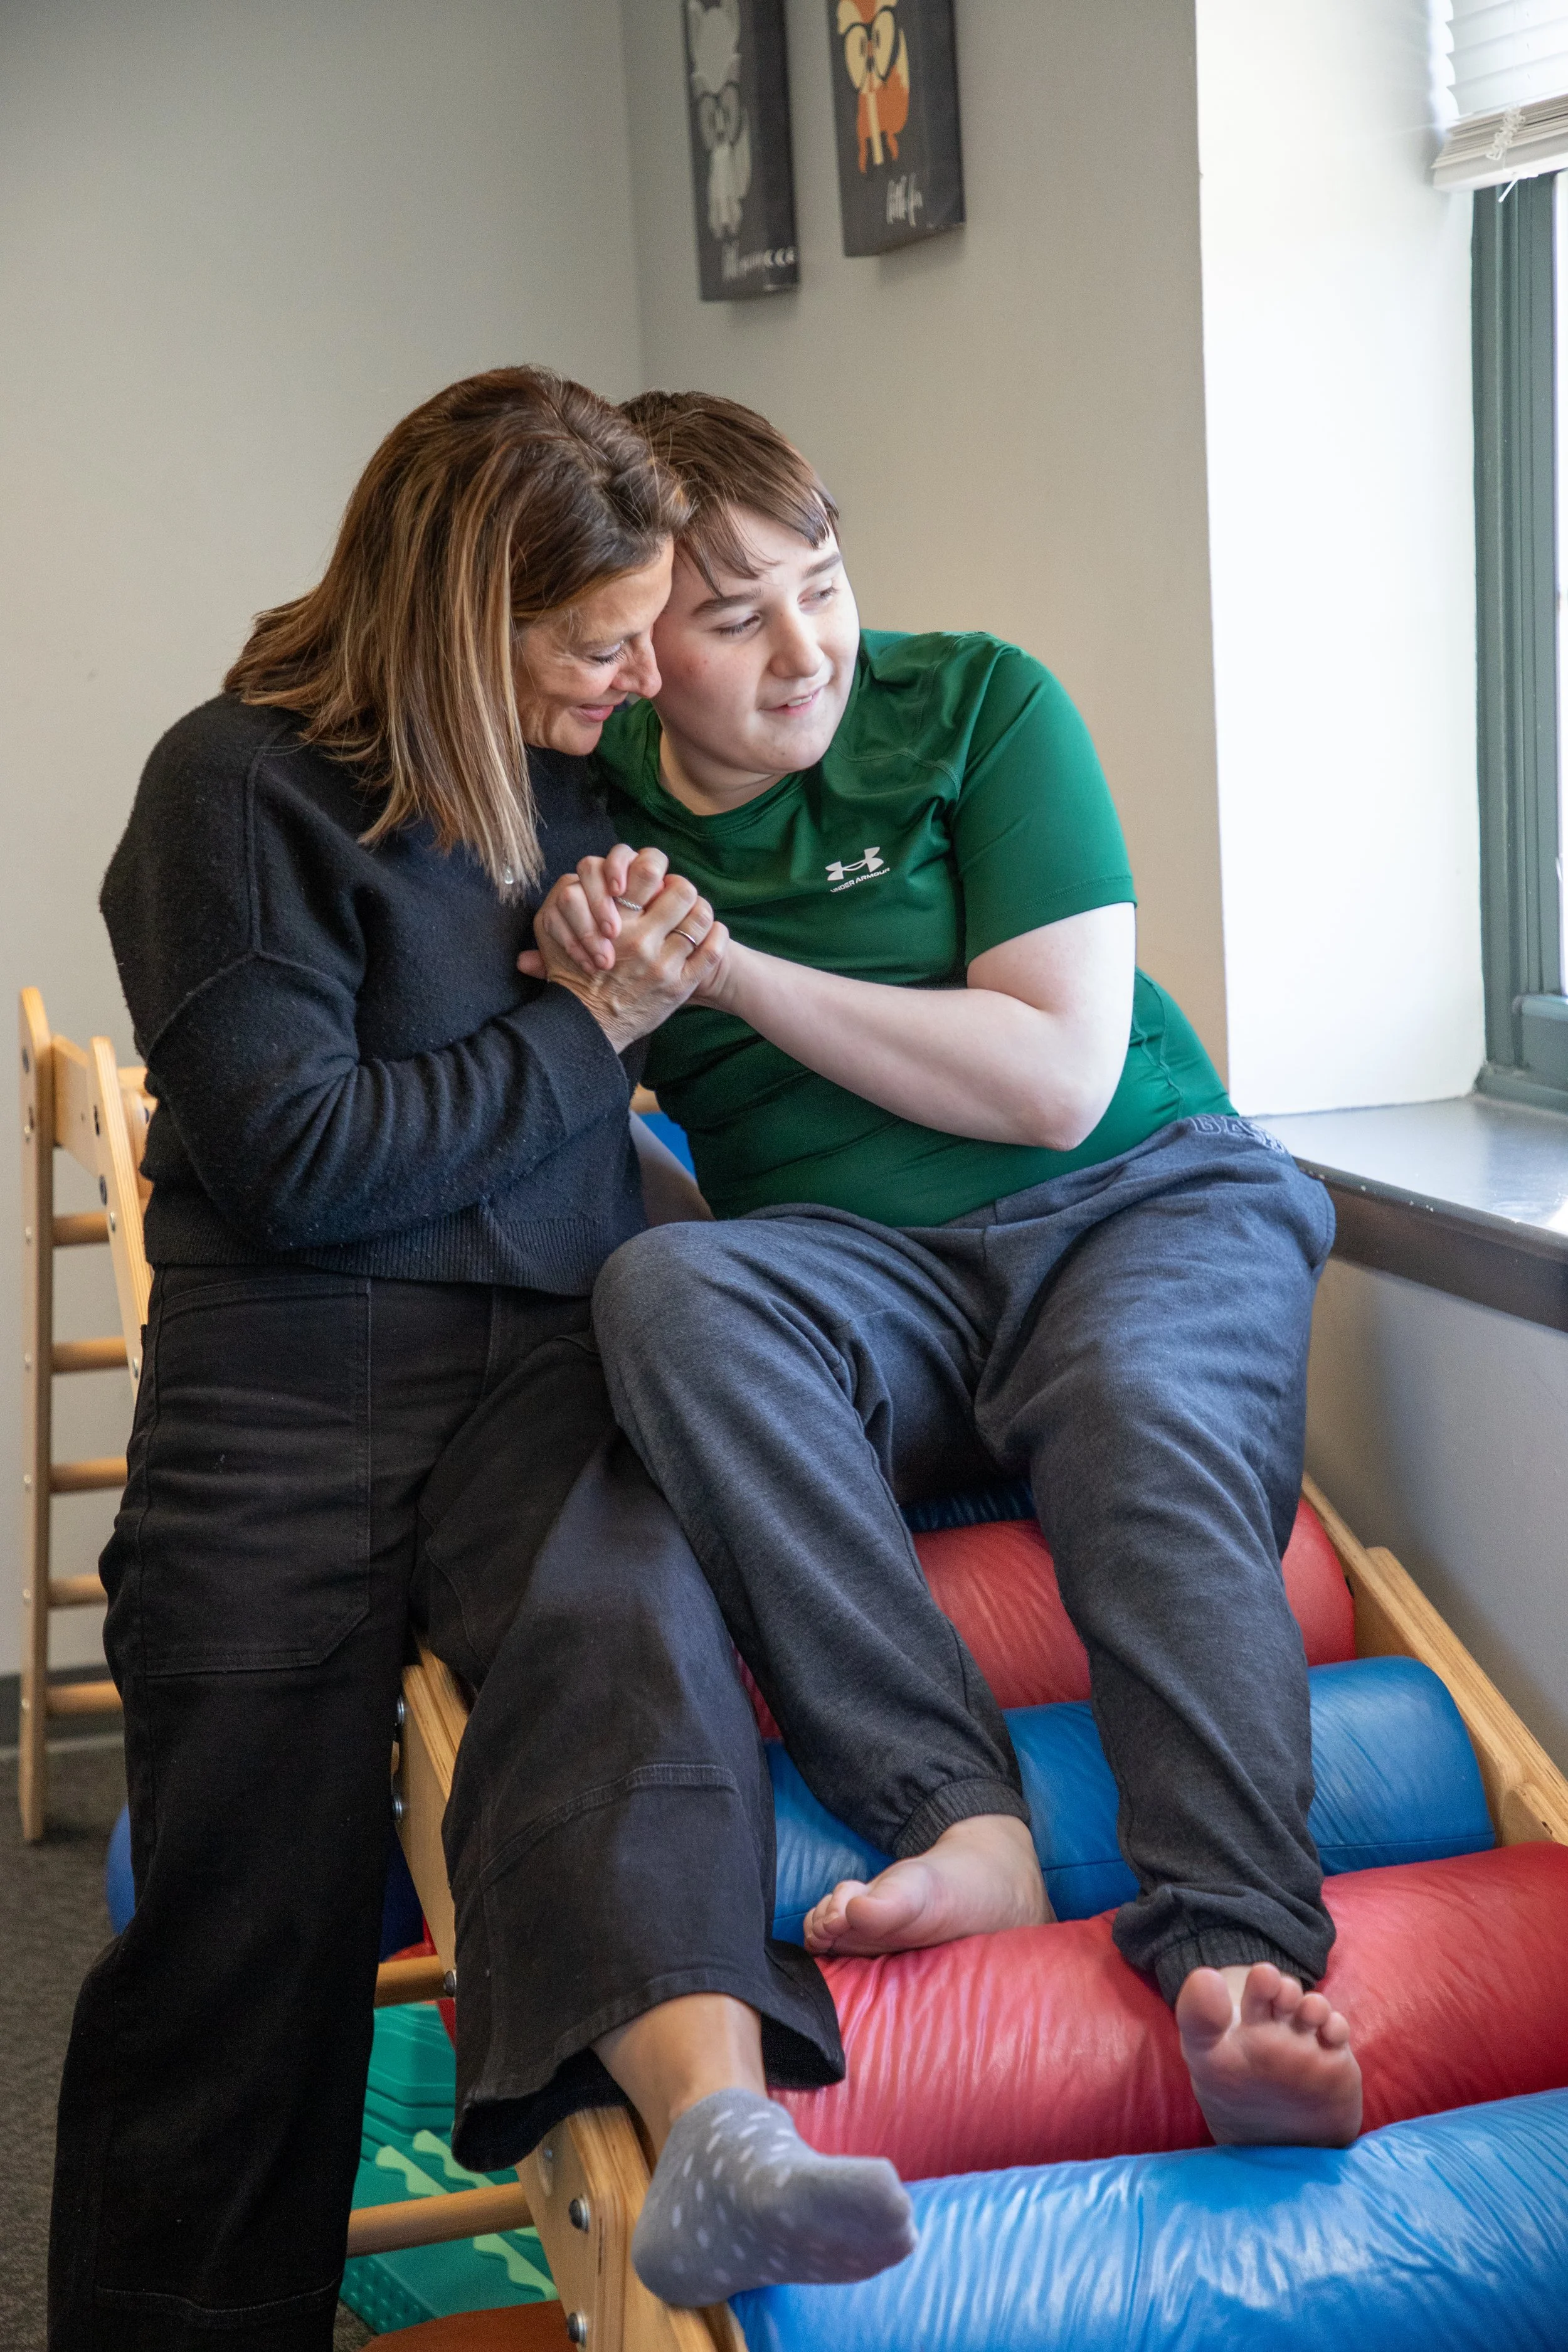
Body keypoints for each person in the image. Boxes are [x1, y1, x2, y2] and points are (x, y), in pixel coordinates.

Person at [49, 369, 921, 2352]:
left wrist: (633, 939)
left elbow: (653, 946)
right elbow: (301, 1157)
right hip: (289, 1387)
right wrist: (577, 1032)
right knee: (239, 1954)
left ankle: (714, 2129)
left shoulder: (572, 773)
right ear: (465, 616)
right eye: (598, 644)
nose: (630, 682)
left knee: (630, 1652)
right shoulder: (234, 789)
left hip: (541, 1350)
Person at [523, 388, 1364, 2158]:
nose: (802, 648)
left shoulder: (979, 700)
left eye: (820, 584)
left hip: (1137, 1203)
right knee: (668, 1293)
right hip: (857, 1286)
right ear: (631, 650)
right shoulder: (575, 818)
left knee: (1141, 1411)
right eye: (731, 616)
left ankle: (1235, 1955)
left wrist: (726, 973)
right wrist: (592, 988)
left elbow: (1054, 1072)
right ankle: (957, 1814)